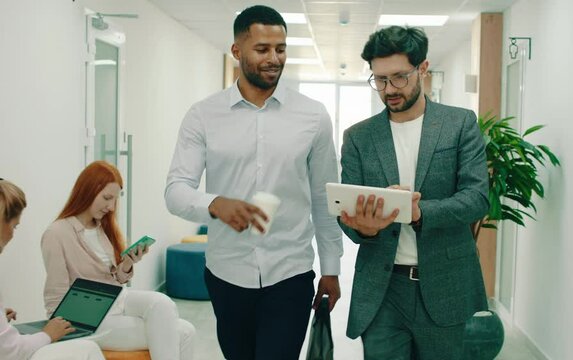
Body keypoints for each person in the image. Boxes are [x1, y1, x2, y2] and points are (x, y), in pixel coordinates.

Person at [165, 5, 343, 360]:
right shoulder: (203, 115)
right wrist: (215, 203)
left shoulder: (312, 115)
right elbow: (176, 191)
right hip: (227, 272)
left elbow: (325, 199)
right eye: (262, 49)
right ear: (237, 51)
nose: (274, 58)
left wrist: (332, 270)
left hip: (290, 273)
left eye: (280, 49)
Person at [338, 26, 489, 359]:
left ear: (423, 68)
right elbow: (348, 217)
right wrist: (363, 226)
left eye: (399, 77)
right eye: (379, 79)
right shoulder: (359, 138)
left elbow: (477, 197)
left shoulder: (459, 124)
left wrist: (421, 212)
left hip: (444, 284)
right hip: (382, 288)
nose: (388, 89)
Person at [41, 161, 195, 360]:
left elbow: (115, 278)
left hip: (118, 301)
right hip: (87, 319)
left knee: (163, 304)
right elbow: (55, 299)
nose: (111, 206)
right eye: (107, 198)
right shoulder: (57, 233)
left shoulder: (102, 228)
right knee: (184, 331)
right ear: (87, 191)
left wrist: (127, 264)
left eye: (115, 200)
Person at [0, 178, 105, 360]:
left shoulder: (105, 231)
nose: (110, 206)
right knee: (88, 349)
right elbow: (9, 351)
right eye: (14, 226)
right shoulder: (55, 233)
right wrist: (47, 334)